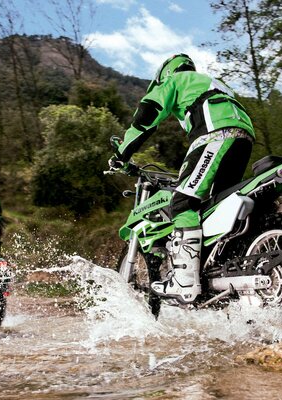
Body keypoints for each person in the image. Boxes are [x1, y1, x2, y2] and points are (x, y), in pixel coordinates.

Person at [109, 54, 256, 304]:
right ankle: (224, 276)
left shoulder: (177, 80)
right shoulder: (211, 82)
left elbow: (146, 116)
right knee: (216, 210)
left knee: (183, 202)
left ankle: (185, 281)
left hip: (215, 134)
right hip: (243, 137)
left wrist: (121, 155)